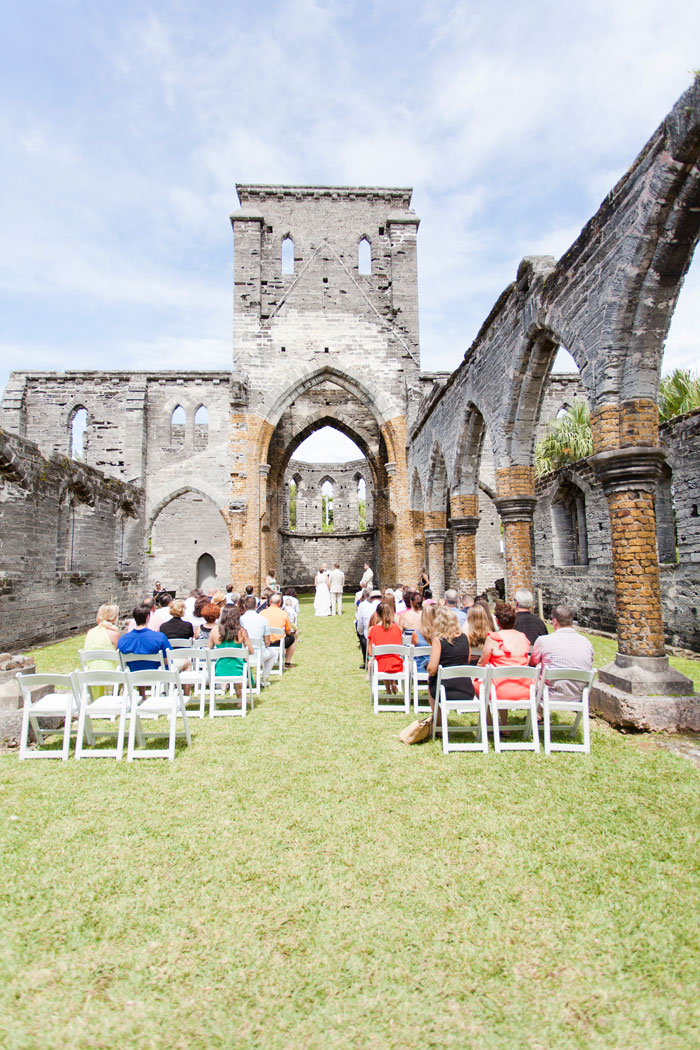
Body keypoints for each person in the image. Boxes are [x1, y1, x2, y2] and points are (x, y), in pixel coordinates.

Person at [530, 604, 594, 701]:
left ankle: (538, 714)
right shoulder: (586, 643)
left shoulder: (544, 641)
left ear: (554, 621)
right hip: (578, 694)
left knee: (536, 671)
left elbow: (532, 663)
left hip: (550, 693)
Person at [478, 600, 531, 716]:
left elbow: (482, 663)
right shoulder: (523, 637)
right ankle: (503, 724)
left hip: (499, 690)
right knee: (500, 679)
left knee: (477, 684)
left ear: (497, 621)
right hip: (524, 689)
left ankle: (490, 723)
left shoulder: (494, 638)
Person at [426, 606, 473, 725]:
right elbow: (467, 660)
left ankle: (438, 722)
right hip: (466, 688)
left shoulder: (438, 640)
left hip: (445, 690)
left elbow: (432, 670)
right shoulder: (465, 637)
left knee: (431, 680)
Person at [208, 605, 254, 696]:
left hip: (219, 669)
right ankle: (240, 698)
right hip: (238, 669)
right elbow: (251, 651)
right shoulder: (241, 632)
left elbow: (209, 650)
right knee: (238, 663)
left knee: (229, 663)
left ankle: (225, 686)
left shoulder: (214, 631)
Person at [117, 603, 172, 670]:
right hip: (157, 676)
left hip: (133, 677)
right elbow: (168, 660)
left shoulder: (123, 639)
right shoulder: (160, 637)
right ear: (147, 617)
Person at [83, 604, 120, 694]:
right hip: (110, 673)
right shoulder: (114, 634)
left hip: (90, 672)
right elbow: (118, 655)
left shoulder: (90, 632)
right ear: (115, 617)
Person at [367, 602, 403, 694]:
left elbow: (370, 652)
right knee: (388, 657)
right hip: (397, 664)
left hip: (381, 665)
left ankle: (388, 690)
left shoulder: (373, 629)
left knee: (381, 660)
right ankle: (393, 683)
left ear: (377, 614)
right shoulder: (397, 628)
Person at [241, 596, 277, 686]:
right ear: (256, 606)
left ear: (244, 606)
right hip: (258, 653)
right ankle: (264, 678)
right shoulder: (263, 620)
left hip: (243, 654)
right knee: (274, 653)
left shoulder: (240, 619)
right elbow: (267, 642)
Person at [261, 592, 297, 668]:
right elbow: (288, 631)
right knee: (293, 638)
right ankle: (287, 662)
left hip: (264, 641)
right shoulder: (284, 614)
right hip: (279, 642)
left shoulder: (262, 613)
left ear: (270, 602)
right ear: (280, 603)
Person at [356, 588, 381, 668]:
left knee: (362, 636)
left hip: (369, 636)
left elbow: (360, 623)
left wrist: (361, 633)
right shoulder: (384, 606)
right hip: (382, 634)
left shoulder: (364, 606)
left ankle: (366, 661)